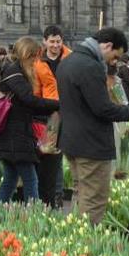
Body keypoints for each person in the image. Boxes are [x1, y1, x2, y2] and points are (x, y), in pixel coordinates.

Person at [57, 27, 129, 225]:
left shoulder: (68, 61)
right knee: (94, 200)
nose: (115, 62)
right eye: (115, 56)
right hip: (91, 145)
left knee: (81, 195)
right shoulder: (90, 66)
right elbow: (103, 109)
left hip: (73, 141)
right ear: (107, 46)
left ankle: (74, 244)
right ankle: (85, 250)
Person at [0, 37, 59, 205]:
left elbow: (28, 104)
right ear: (26, 55)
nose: (36, 61)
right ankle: (34, 217)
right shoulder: (15, 73)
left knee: (10, 179)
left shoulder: (13, 71)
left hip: (10, 134)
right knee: (31, 180)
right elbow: (30, 100)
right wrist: (58, 104)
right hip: (16, 135)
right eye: (34, 57)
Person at [33, 24, 71, 207]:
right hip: (50, 113)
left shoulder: (70, 57)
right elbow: (37, 89)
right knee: (51, 153)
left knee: (61, 152)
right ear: (45, 42)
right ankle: (54, 195)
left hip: (69, 110)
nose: (55, 45)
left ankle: (57, 193)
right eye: (52, 41)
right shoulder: (38, 62)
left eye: (58, 41)